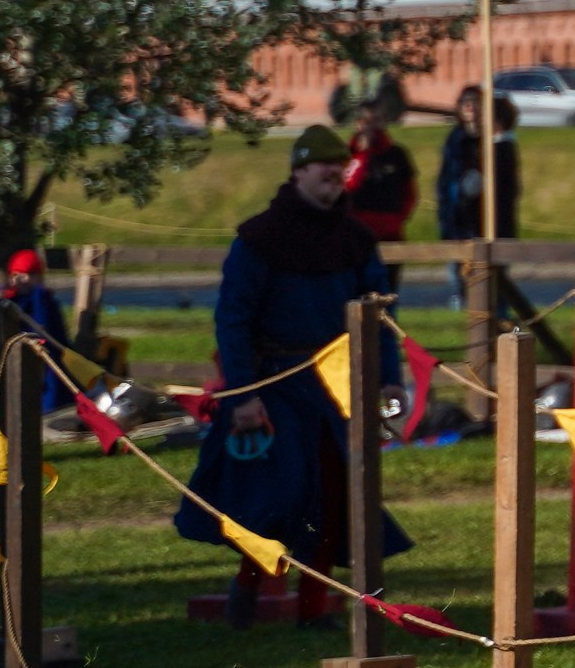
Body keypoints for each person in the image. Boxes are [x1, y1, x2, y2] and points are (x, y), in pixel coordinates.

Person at [174, 126, 409, 627]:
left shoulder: (357, 241)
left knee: (330, 499)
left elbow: (380, 316)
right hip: (273, 385)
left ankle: (314, 607)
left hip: (335, 387)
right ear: (298, 171)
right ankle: (247, 592)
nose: (331, 176)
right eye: (321, 167)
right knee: (274, 498)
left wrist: (389, 379)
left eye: (337, 168)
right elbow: (233, 321)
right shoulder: (260, 238)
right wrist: (242, 396)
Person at [436, 85, 521, 242]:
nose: (470, 107)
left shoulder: (499, 146)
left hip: (491, 225)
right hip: (460, 224)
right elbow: (445, 184)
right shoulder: (454, 142)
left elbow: (508, 189)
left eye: (476, 101)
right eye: (465, 102)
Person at [0, 248, 73, 412]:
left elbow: (47, 327)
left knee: (51, 382)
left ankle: (50, 410)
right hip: (16, 351)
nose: (24, 280)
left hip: (46, 351)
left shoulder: (45, 299)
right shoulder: (8, 301)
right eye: (18, 275)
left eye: (30, 275)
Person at [343, 101, 417, 242]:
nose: (372, 127)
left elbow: (409, 193)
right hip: (357, 231)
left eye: (377, 121)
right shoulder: (348, 154)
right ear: (358, 123)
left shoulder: (396, 154)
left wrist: (397, 219)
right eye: (367, 122)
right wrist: (363, 155)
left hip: (390, 230)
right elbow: (348, 186)